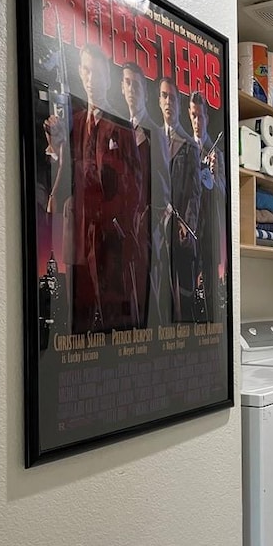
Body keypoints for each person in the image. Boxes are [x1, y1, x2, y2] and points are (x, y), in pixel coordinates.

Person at [45, 43, 143, 333]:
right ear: (79, 72)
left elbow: (136, 187)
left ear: (107, 78)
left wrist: (115, 217)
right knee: (78, 320)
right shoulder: (73, 123)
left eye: (97, 73)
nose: (90, 79)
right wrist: (56, 145)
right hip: (77, 235)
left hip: (110, 239)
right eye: (86, 71)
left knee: (114, 321)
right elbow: (61, 178)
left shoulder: (122, 129)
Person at [120, 62, 171, 325]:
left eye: (137, 85)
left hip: (147, 232)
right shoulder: (117, 128)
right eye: (127, 83)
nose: (131, 89)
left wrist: (151, 223)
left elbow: (163, 188)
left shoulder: (156, 134)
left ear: (145, 92)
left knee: (150, 300)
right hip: (121, 231)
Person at [158, 78, 201, 321]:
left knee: (183, 293)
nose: (168, 102)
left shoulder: (189, 146)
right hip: (157, 229)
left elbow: (195, 193)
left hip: (180, 230)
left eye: (172, 98)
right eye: (164, 96)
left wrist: (187, 224)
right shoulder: (153, 137)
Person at [188, 91, 226, 320]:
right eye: (193, 116)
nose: (197, 121)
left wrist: (212, 179)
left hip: (209, 229)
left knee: (211, 283)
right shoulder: (184, 148)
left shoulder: (217, 154)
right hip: (189, 228)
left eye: (200, 116)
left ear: (207, 118)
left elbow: (224, 193)